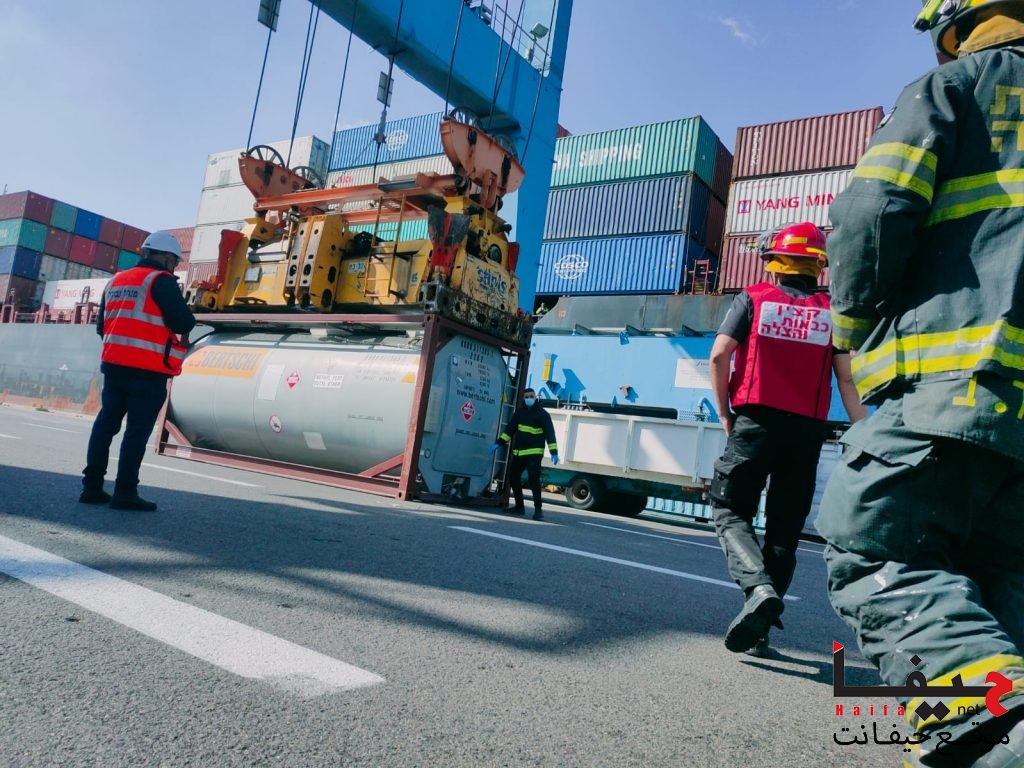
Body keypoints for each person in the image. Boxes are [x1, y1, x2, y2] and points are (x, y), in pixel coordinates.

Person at [816, 3, 1024, 764]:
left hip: (948, 392)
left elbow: (869, 215)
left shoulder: (954, 87)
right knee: (998, 593)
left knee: (877, 549)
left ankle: (997, 729)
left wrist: (852, 331)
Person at [708, 222, 865, 658]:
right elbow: (847, 379)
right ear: (819, 267)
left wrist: (724, 413)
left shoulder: (753, 298)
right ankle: (760, 633)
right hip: (807, 433)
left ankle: (757, 588)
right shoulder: (832, 312)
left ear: (775, 264)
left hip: (756, 422)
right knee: (784, 532)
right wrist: (865, 432)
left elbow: (719, 355)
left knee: (729, 508)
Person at [79, 231, 196, 511]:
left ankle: (91, 488)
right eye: (174, 262)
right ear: (166, 258)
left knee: (105, 425)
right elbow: (184, 323)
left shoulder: (115, 281)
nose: (173, 267)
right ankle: (125, 492)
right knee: (136, 431)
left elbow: (101, 327)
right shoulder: (161, 281)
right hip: (147, 371)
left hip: (114, 367)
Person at [490, 387, 559, 520]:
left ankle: (538, 510)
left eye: (531, 396)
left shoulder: (543, 414)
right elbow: (510, 430)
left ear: (535, 397)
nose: (529, 399)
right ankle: (519, 507)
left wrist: (554, 452)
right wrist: (499, 443)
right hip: (520, 452)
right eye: (527, 397)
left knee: (533, 480)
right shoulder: (519, 413)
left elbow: (550, 434)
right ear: (523, 398)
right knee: (513, 477)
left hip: (534, 453)